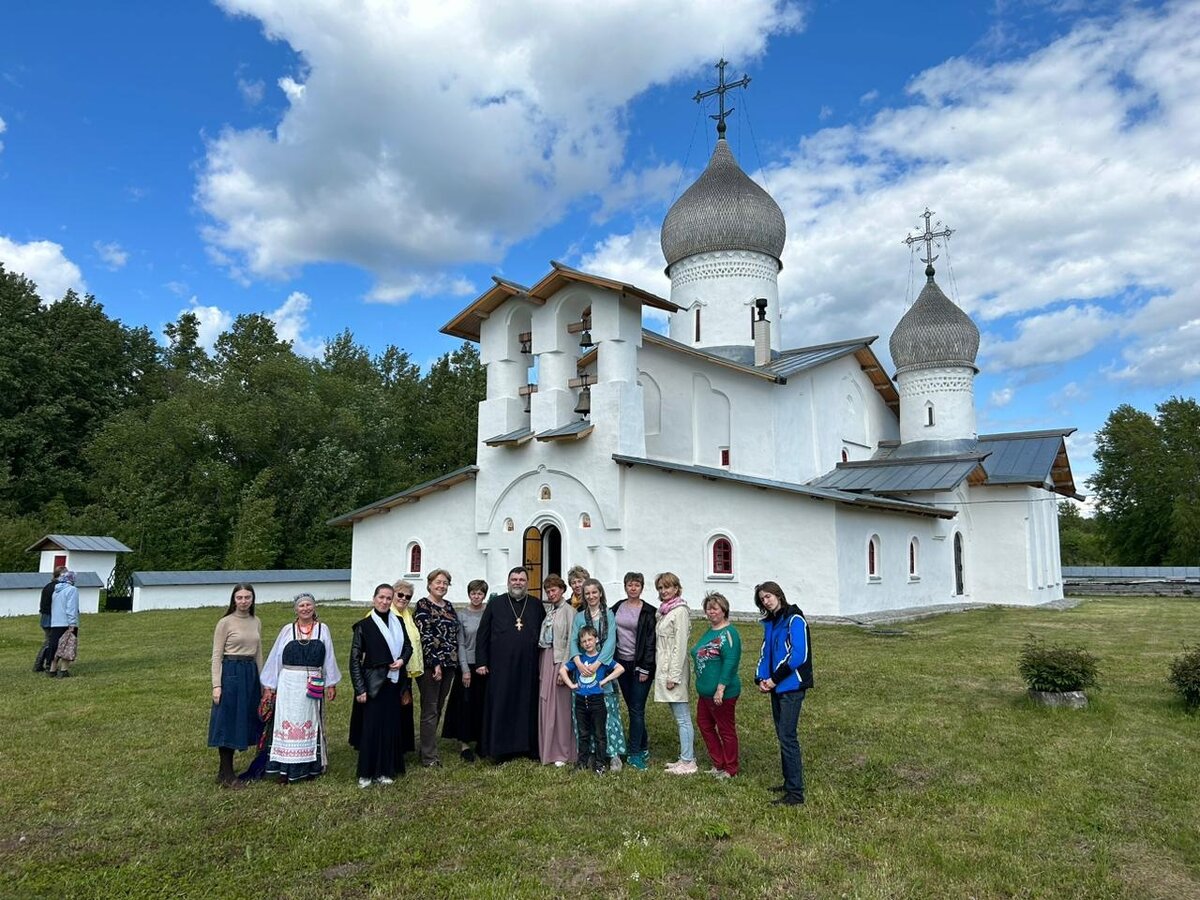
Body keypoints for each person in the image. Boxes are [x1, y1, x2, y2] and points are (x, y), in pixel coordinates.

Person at [259, 593, 342, 783]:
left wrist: (331, 683)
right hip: (288, 683)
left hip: (313, 681)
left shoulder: (323, 629)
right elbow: (276, 657)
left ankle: (309, 767)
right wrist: (270, 686)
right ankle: (283, 768)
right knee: (287, 721)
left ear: (314, 607)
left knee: (310, 721)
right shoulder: (287, 630)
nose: (305, 608)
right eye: (301, 605)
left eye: (309, 605)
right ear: (295, 609)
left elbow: (329, 657)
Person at [475, 566, 545, 761]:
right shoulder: (495, 604)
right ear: (508, 582)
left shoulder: (535, 605)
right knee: (501, 704)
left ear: (527, 583)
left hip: (528, 666)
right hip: (500, 667)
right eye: (514, 579)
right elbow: (483, 634)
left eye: (522, 580)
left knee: (526, 704)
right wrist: (481, 661)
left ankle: (526, 747)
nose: (518, 583)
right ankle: (499, 749)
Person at [755, 581, 813, 806]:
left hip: (791, 686)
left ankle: (795, 793)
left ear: (779, 595)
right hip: (775, 686)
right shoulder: (772, 622)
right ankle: (789, 782)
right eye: (762, 599)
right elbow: (766, 652)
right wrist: (761, 678)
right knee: (783, 735)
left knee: (788, 737)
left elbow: (798, 655)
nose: (766, 602)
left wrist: (774, 679)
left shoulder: (794, 619)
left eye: (768, 596)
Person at [349, 583, 412, 787]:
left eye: (388, 598)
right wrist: (360, 688)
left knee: (389, 728)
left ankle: (385, 770)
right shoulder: (364, 626)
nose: (384, 601)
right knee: (371, 729)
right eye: (381, 597)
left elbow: (408, 647)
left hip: (394, 683)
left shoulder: (399, 622)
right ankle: (366, 773)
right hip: (373, 684)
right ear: (374, 599)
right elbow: (354, 659)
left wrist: (402, 660)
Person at [568, 578, 628, 771]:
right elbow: (573, 641)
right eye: (587, 594)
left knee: (608, 715)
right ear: (583, 596)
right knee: (586, 717)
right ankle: (591, 753)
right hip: (584, 668)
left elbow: (611, 640)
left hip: (600, 666)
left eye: (594, 592)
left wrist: (598, 663)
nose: (591, 596)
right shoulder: (579, 617)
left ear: (600, 593)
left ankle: (614, 753)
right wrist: (577, 661)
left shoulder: (608, 615)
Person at [208, 583, 263, 788]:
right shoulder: (225, 623)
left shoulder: (256, 621)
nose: (243, 601)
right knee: (227, 721)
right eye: (239, 598)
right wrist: (216, 685)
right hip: (231, 672)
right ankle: (228, 774)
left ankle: (223, 773)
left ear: (252, 599)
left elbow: (258, 652)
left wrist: (262, 680)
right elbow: (216, 655)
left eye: (247, 597)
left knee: (243, 719)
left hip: (249, 674)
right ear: (233, 600)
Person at [560, 625, 625, 774]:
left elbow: (620, 668)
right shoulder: (579, 660)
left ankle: (600, 764)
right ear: (581, 644)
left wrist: (604, 681)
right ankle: (582, 763)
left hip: (597, 701)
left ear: (596, 640)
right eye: (584, 641)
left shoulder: (602, 659)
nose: (587, 643)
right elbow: (563, 670)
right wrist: (571, 685)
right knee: (583, 734)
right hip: (581, 701)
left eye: (590, 639)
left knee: (599, 734)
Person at [691, 591, 742, 778]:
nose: (711, 612)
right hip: (705, 692)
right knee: (704, 724)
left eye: (715, 609)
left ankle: (730, 768)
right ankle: (718, 763)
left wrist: (721, 688)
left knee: (726, 729)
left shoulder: (729, 633)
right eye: (708, 609)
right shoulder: (710, 631)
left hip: (722, 693)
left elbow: (731, 662)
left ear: (724, 610)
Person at [413, 569, 460, 767]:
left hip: (450, 663)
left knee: (438, 706)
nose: (441, 586)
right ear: (430, 584)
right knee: (430, 708)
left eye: (445, 583)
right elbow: (425, 636)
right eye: (438, 582)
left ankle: (427, 746)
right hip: (433, 665)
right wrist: (435, 664)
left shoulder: (448, 606)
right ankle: (429, 757)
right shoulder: (423, 605)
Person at [611, 571, 656, 770]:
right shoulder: (617, 608)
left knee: (637, 708)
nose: (633, 588)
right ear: (625, 586)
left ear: (642, 587)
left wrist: (646, 667)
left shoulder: (648, 611)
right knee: (632, 706)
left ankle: (635, 752)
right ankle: (643, 745)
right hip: (622, 663)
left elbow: (650, 642)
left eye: (637, 585)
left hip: (641, 665)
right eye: (630, 584)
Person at [653, 571, 695, 774]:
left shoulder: (680, 612)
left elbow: (680, 646)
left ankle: (688, 761)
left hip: (673, 670)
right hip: (664, 668)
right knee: (678, 716)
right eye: (660, 588)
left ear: (676, 588)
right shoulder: (664, 611)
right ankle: (684, 758)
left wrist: (674, 676)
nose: (664, 591)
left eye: (667, 587)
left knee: (682, 717)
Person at [443, 578, 488, 762]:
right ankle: (465, 744)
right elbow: (460, 643)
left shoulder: (488, 613)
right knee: (466, 704)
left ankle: (481, 739)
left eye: (480, 593)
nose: (476, 596)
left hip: (484, 665)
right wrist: (465, 670)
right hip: (467, 665)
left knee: (482, 703)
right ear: (469, 594)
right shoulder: (461, 615)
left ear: (484, 595)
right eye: (473, 593)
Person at [536, 575, 576, 766]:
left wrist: (565, 668)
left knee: (560, 707)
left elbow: (571, 641)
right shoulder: (550, 611)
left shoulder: (570, 611)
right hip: (547, 657)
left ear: (562, 590)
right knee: (546, 704)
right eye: (548, 591)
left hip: (560, 660)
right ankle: (548, 749)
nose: (551, 594)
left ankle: (562, 751)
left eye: (554, 590)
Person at [34, 565, 67, 673]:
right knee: (50, 642)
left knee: (50, 641)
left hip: (46, 616)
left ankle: (45, 663)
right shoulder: (56, 588)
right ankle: (41, 664)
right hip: (51, 618)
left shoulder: (49, 586)